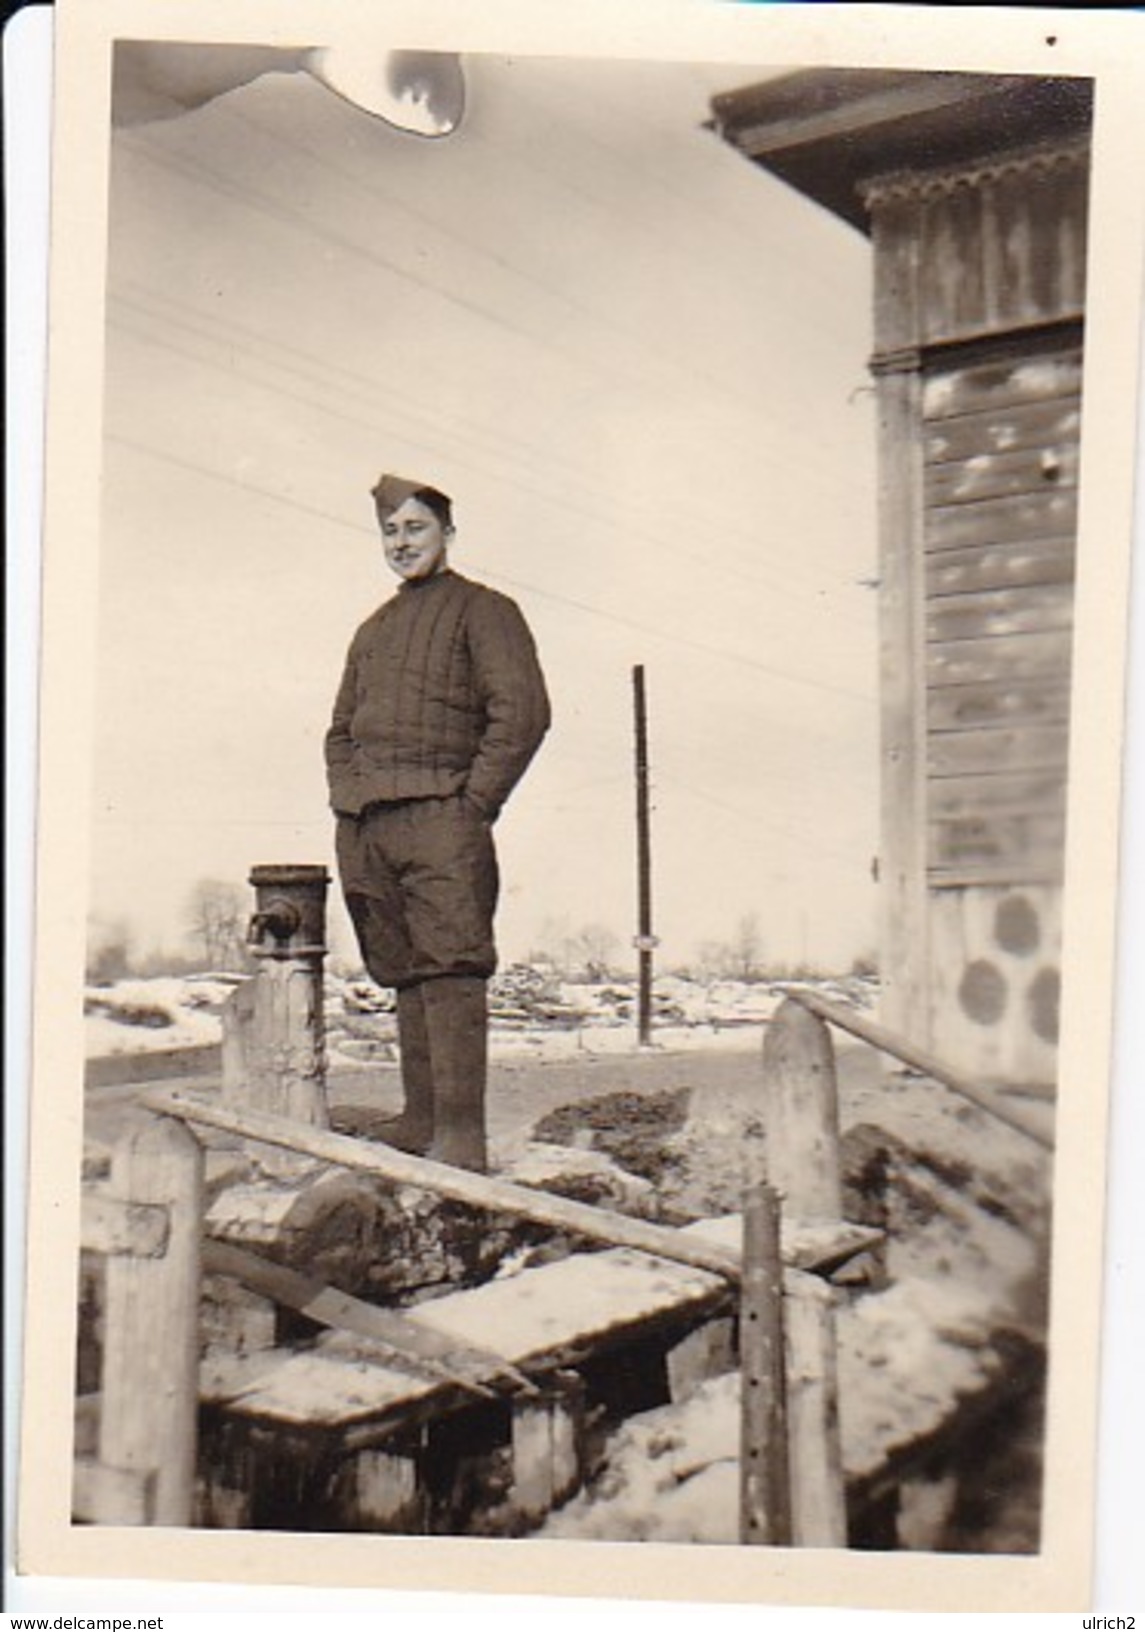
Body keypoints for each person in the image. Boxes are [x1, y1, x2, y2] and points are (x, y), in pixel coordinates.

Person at [325, 473, 550, 1172]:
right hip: (369, 826)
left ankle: (461, 1135)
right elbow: (338, 731)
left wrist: (472, 804)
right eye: (390, 532)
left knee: (451, 962)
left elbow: (523, 715)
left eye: (415, 528)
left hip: (442, 818)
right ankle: (419, 1119)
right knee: (401, 968)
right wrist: (348, 801)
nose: (401, 542)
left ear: (447, 535)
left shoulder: (485, 610)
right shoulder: (372, 629)